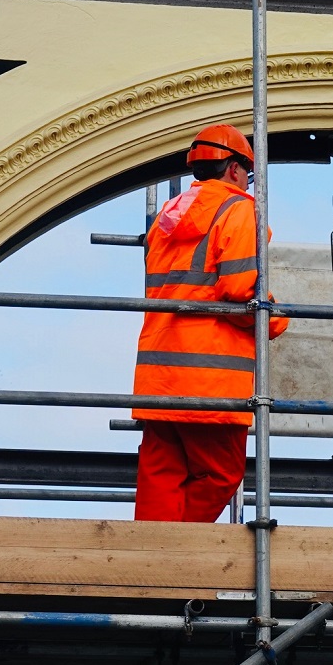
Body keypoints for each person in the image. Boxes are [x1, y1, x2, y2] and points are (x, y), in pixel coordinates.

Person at [133, 123, 289, 522]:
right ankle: (180, 558)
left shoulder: (167, 218)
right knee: (221, 474)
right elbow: (240, 292)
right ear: (234, 168)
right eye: (249, 173)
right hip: (210, 376)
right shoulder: (239, 210)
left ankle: (151, 559)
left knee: (161, 473)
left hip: (158, 372)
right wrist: (274, 320)